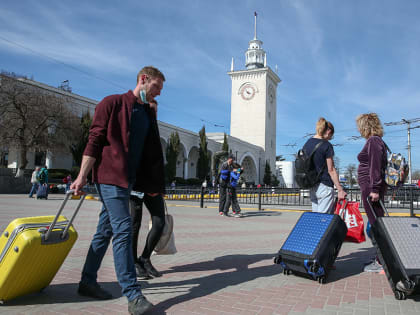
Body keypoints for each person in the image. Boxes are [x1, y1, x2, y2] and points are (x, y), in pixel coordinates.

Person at [70, 66, 166, 315]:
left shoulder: (147, 113)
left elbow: (151, 152)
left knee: (106, 231)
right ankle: (133, 296)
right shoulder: (111, 103)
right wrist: (81, 176)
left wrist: (153, 185)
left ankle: (87, 281)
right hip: (109, 177)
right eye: (156, 87)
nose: (158, 93)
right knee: (124, 228)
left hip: (130, 181)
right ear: (143, 80)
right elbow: (94, 140)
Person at [356, 113, 387, 273]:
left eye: (360, 126)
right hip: (370, 188)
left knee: (376, 226)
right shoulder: (377, 141)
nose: (359, 130)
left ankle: (383, 262)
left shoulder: (373, 141)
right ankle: (380, 258)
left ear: (365, 126)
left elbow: (375, 166)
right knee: (376, 224)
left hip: (370, 189)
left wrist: (374, 189)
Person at [302, 118, 346, 213]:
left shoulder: (307, 144)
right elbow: (331, 170)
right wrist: (340, 189)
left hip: (312, 185)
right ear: (328, 131)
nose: (330, 139)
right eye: (331, 136)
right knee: (323, 219)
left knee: (316, 217)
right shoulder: (326, 145)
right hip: (324, 185)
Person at [129, 192, 165, 279]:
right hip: (136, 187)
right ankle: (133, 262)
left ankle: (145, 258)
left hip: (153, 186)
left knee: (159, 222)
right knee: (135, 224)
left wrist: (161, 188)